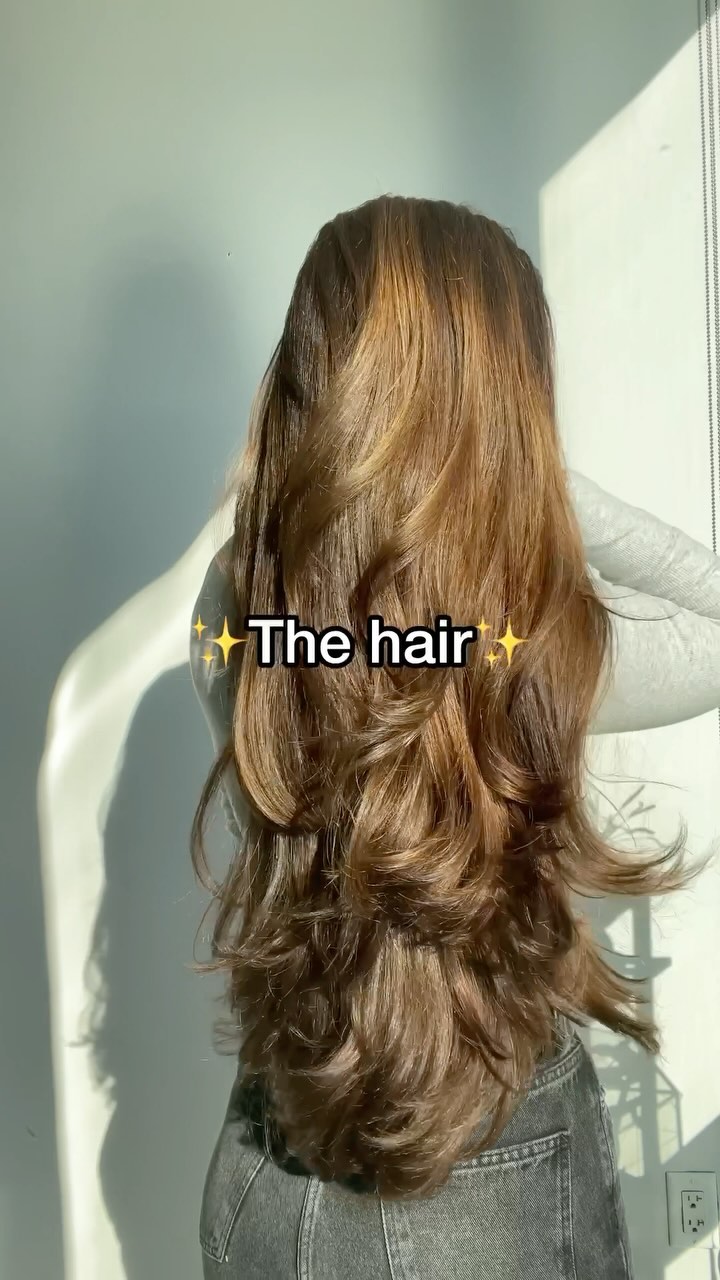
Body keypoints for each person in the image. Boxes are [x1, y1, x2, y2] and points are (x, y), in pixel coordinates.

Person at [189, 195, 719, 1280]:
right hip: (487, 1194)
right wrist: (528, 480)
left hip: (266, 1171)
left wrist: (327, 482)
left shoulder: (239, 614)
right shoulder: (530, 651)